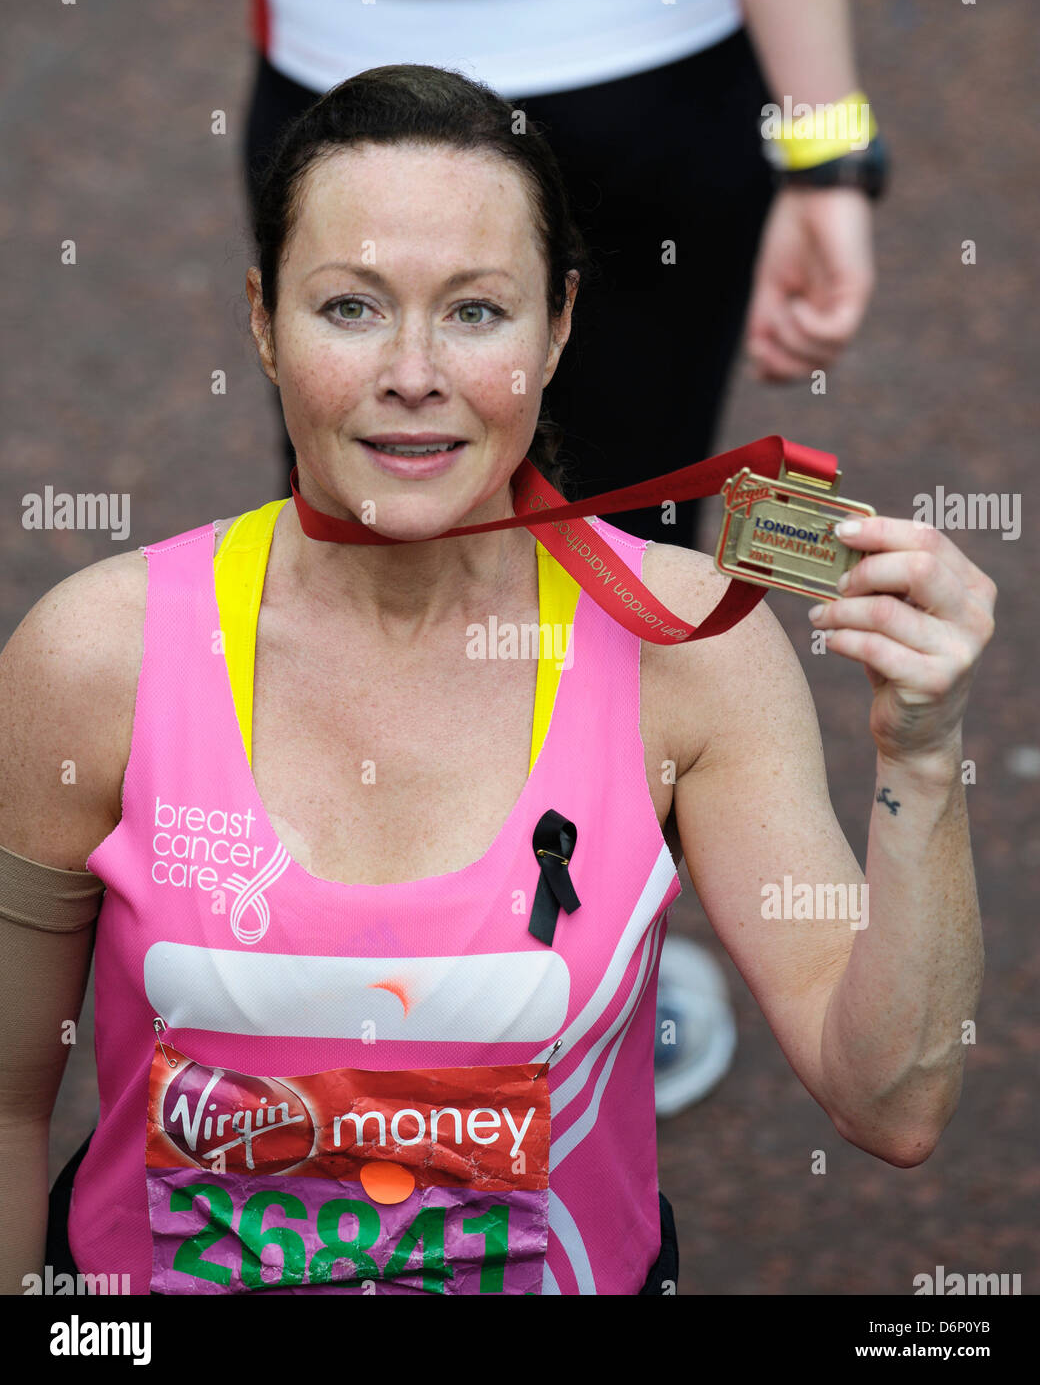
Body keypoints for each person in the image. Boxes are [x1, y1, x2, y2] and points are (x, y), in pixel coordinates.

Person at [0, 65, 992, 1297]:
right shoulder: (94, 655)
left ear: (559, 324)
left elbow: (886, 1098)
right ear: (260, 321)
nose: (413, 372)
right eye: (350, 307)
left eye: (475, 312)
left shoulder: (688, 650)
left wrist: (921, 751)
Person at [242, 0, 888, 1114]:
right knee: (620, 570)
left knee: (360, 530)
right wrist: (826, 147)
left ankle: (318, 943)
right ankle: (596, 973)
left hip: (340, 65)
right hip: (636, 74)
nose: (414, 363)